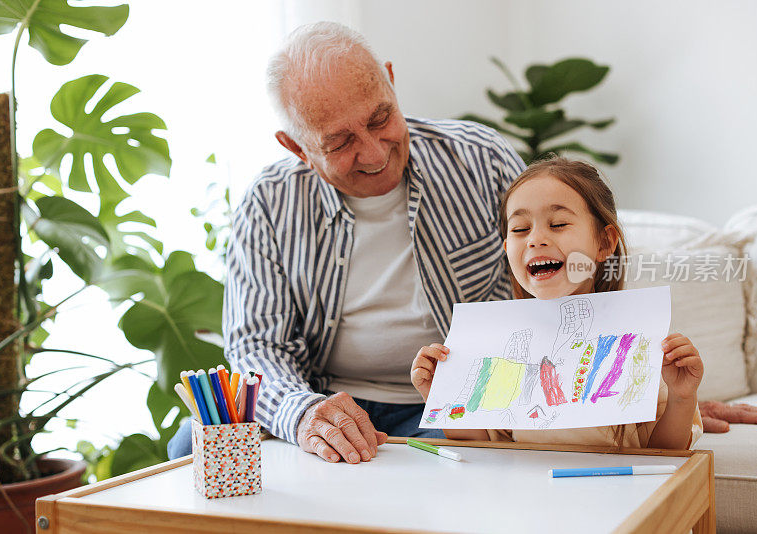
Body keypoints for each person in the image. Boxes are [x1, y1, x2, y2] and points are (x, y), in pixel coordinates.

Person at [166, 21, 526, 462]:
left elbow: (554, 285)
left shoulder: (482, 158)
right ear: (296, 147)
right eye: (339, 142)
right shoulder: (268, 202)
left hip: (454, 399)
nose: (375, 153)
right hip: (325, 395)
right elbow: (256, 344)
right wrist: (304, 414)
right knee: (189, 446)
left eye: (381, 119)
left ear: (391, 82)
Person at [412, 157, 704, 448]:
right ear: (505, 247)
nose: (536, 239)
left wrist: (681, 397)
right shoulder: (505, 346)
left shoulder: (640, 340)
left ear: (604, 242)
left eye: (558, 224)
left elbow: (666, 454)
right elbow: (483, 448)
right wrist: (438, 394)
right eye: (520, 229)